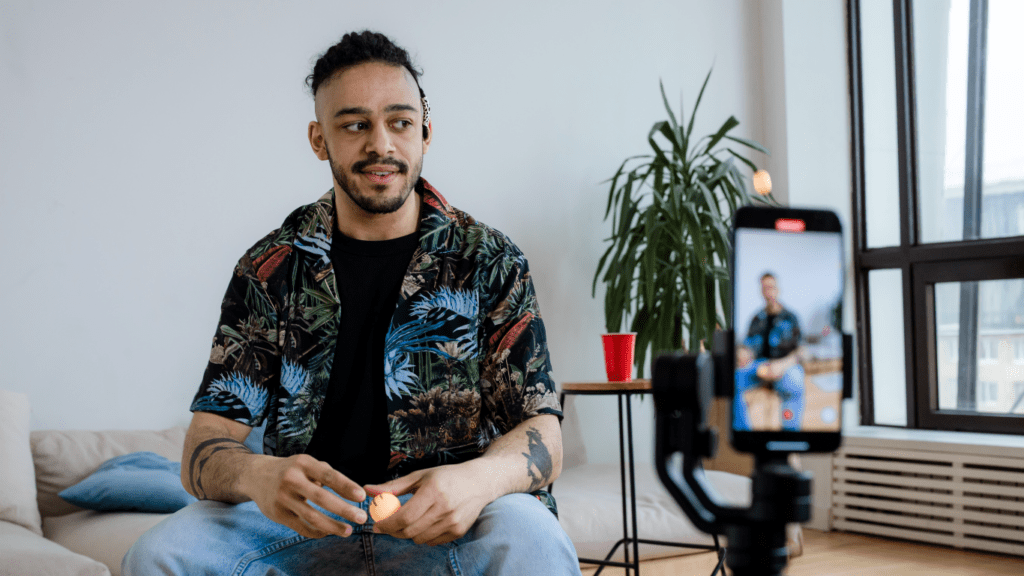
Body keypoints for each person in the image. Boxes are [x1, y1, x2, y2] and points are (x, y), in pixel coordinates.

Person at [123, 31, 582, 576]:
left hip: (452, 522)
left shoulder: (489, 260)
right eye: (355, 124)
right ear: (320, 139)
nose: (381, 144)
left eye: (400, 122)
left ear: (426, 132)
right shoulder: (269, 267)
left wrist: (477, 481)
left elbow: (543, 434)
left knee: (533, 540)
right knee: (158, 554)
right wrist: (259, 476)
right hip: (299, 526)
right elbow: (205, 445)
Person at [741, 272, 805, 431]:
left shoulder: (791, 317)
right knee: (733, 379)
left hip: (785, 365)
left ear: (778, 289)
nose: (768, 292)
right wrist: (743, 354)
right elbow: (747, 347)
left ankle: (789, 439)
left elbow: (801, 351)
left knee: (795, 382)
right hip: (759, 366)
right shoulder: (756, 319)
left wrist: (782, 365)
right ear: (761, 291)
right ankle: (743, 434)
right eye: (764, 288)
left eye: (771, 288)